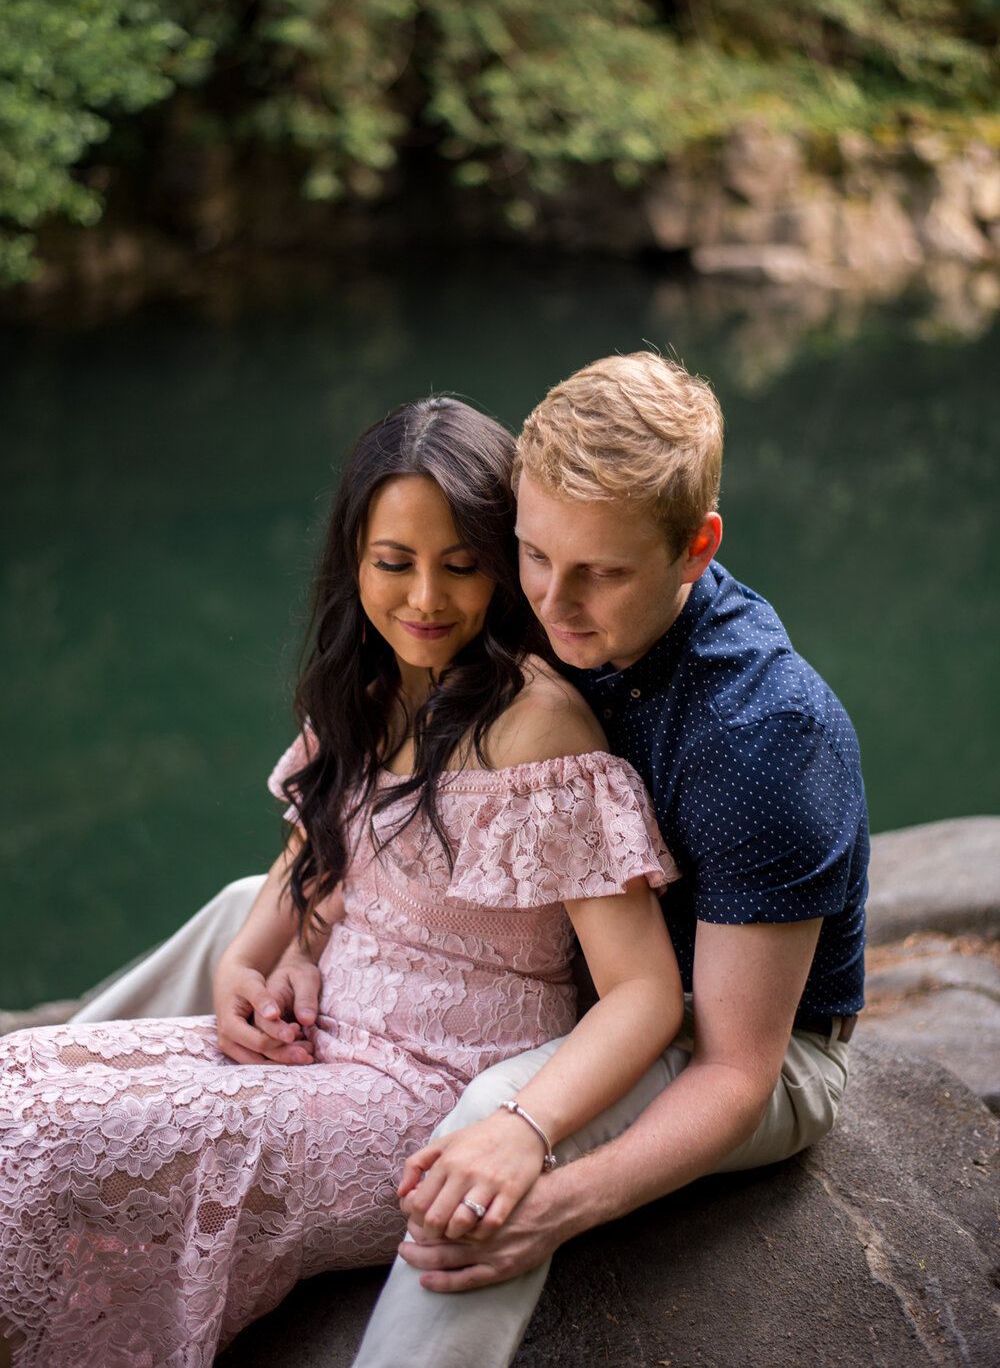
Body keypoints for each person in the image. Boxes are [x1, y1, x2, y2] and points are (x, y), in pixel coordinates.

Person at [62, 350, 868, 1368]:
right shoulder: (528, 595)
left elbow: (736, 1067)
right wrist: (301, 938)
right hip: (578, 974)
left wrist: (553, 1192)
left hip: (741, 1039)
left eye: (602, 573)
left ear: (694, 548)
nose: (557, 601)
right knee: (241, 909)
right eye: (531, 555)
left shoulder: (763, 733)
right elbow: (363, 811)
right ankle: (56, 1129)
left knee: (492, 1127)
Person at [0, 398, 686, 1368]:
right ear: (353, 559)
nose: (425, 597)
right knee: (12, 1083)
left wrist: (525, 1126)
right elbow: (311, 851)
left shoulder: (539, 729)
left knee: (44, 1146)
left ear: (505, 561)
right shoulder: (369, 687)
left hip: (432, 1094)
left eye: (461, 563)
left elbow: (646, 990)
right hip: (319, 1045)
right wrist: (254, 958)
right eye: (392, 561)